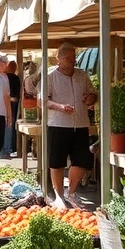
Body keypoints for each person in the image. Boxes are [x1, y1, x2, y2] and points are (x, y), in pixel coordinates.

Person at [43, 42, 97, 209]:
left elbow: (93, 94)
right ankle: (59, 196)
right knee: (57, 162)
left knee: (82, 160)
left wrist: (90, 99)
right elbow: (41, 100)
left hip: (80, 123)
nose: (72, 61)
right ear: (58, 59)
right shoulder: (50, 76)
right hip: (58, 124)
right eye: (68, 58)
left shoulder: (82, 75)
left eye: (74, 57)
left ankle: (71, 193)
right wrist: (60, 107)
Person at [3, 58, 21, 157]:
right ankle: (9, 147)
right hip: (13, 103)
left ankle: (6, 148)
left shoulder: (4, 76)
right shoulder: (15, 77)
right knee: (11, 123)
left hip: (5, 102)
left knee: (6, 124)